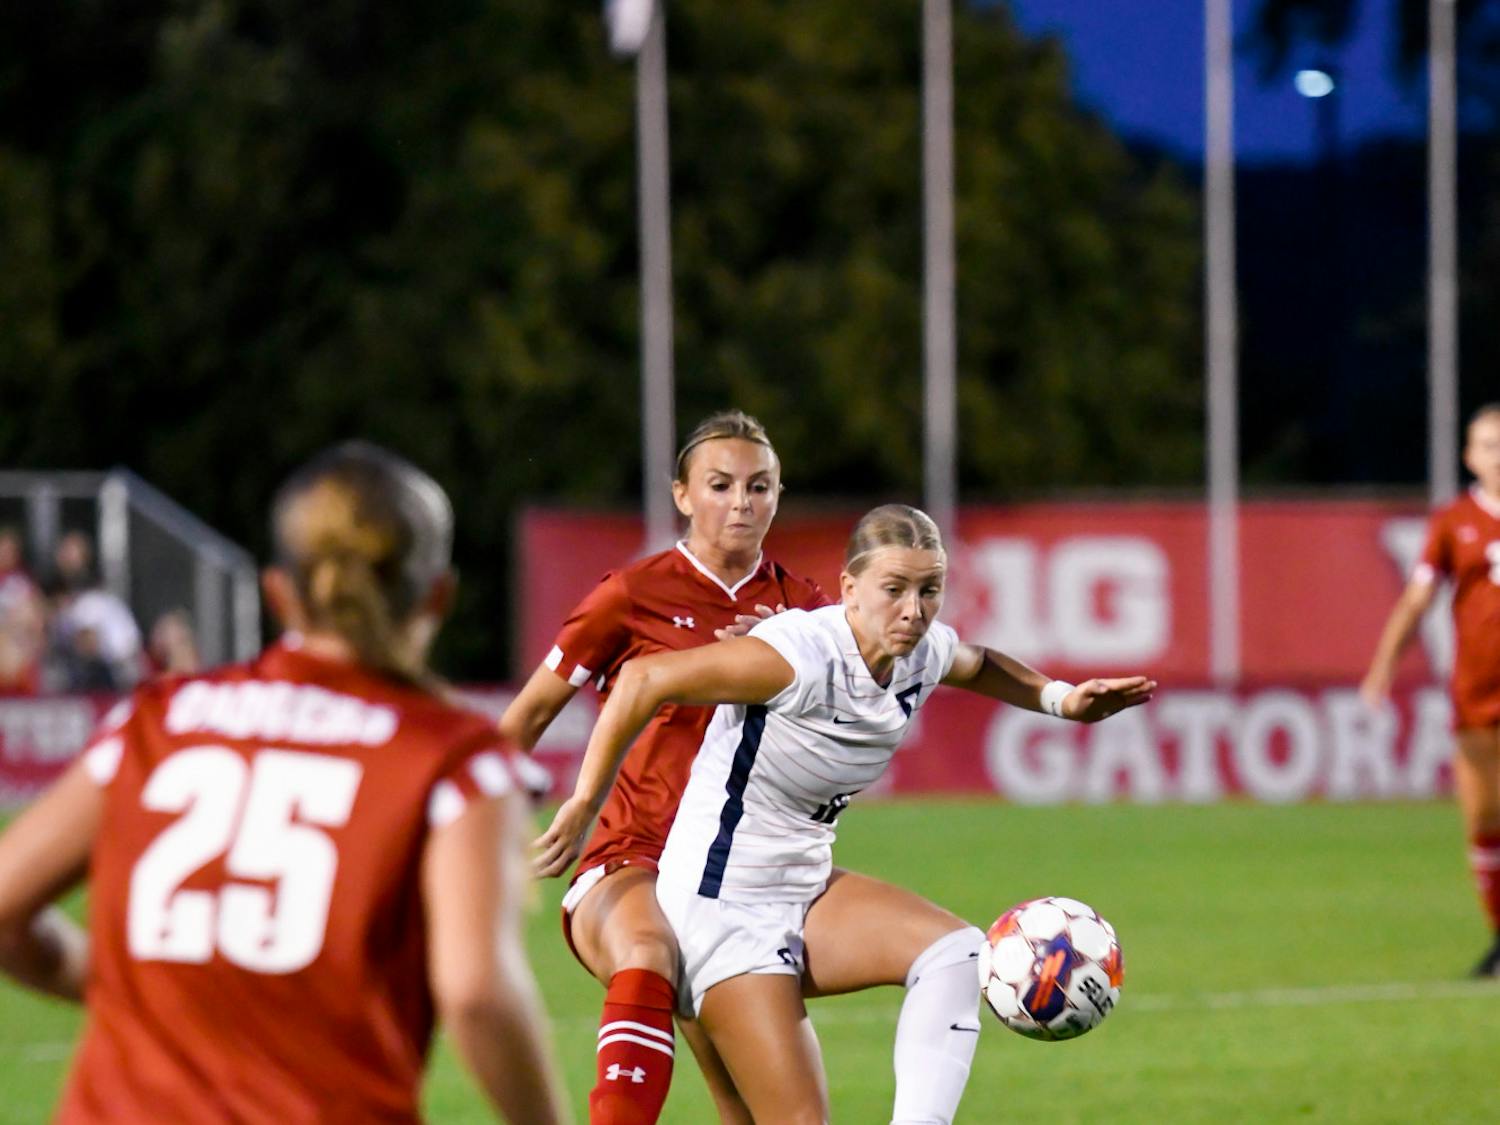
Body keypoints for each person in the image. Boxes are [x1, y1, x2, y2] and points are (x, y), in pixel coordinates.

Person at [0, 441, 570, 1124]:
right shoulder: (457, 760)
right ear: (438, 595)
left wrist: (142, 986)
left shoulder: (154, 718)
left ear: (278, 590)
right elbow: (477, 989)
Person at [536, 504, 1155, 1124]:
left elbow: (976, 661)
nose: (914, 609)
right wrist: (584, 801)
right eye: (894, 589)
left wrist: (1061, 699)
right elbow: (644, 678)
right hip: (719, 905)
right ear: (849, 589)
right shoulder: (800, 657)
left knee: (957, 953)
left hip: (801, 886)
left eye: (929, 589)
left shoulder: (918, 650)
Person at [501, 410, 826, 1125]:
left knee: (745, 1108)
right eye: (720, 484)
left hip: (744, 873)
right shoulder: (631, 594)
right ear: (682, 494)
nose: (741, 501)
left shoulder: (805, 610)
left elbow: (849, 725)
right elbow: (524, 718)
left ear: (778, 494)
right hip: (633, 854)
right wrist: (467, 825)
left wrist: (775, 655)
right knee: (647, 949)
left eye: (759, 486)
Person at [1362, 402, 1500, 977]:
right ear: (1470, 456)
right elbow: (1418, 600)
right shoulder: (1453, 522)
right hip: (1477, 695)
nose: (1499, 454)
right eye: (1489, 445)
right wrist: (1382, 666)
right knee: (1486, 820)